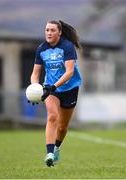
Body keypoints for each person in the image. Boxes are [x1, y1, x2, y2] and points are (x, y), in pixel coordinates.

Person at [30, 20, 82, 167]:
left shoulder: (67, 46)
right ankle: (50, 153)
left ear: (59, 32)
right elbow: (35, 74)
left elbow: (70, 72)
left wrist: (54, 86)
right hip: (50, 89)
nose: (49, 33)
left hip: (70, 88)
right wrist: (35, 89)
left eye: (52, 30)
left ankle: (57, 147)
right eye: (47, 30)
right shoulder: (41, 49)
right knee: (52, 117)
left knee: (62, 127)